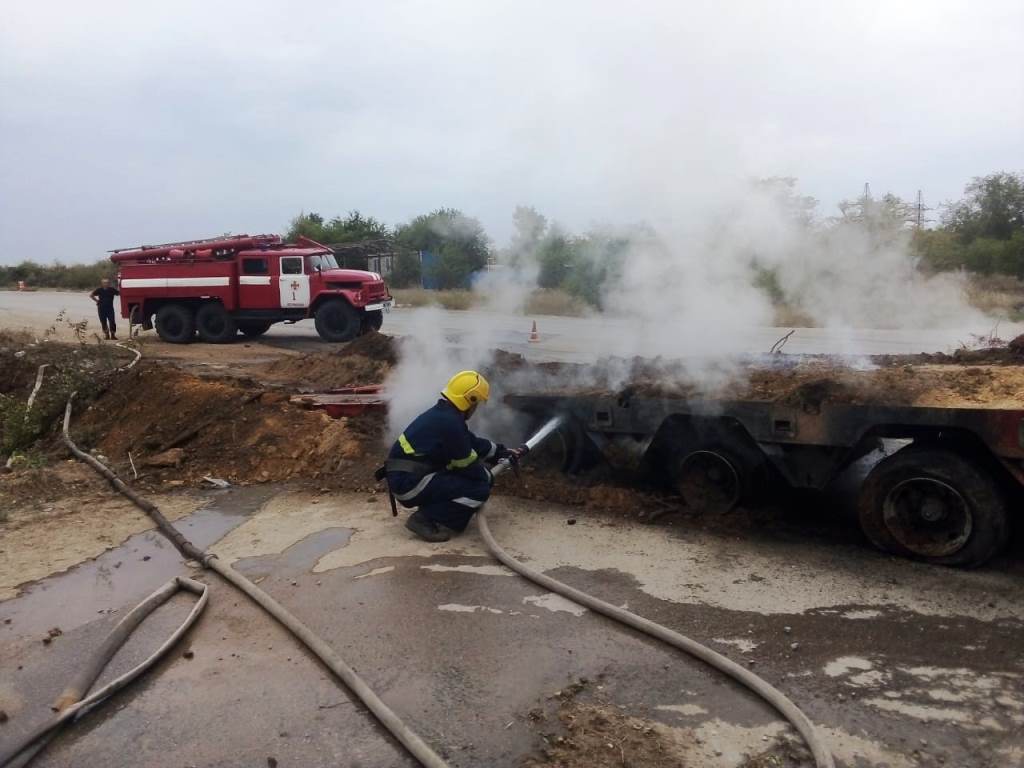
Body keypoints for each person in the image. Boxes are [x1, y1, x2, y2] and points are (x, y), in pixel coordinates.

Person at [381, 370, 527, 542]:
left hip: (407, 477)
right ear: (469, 400)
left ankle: (432, 508)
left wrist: (500, 452)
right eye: (476, 403)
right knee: (479, 489)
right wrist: (487, 476)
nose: (476, 408)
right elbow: (467, 466)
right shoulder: (450, 423)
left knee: (471, 481)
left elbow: (471, 442)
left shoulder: (445, 415)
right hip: (408, 484)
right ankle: (425, 519)